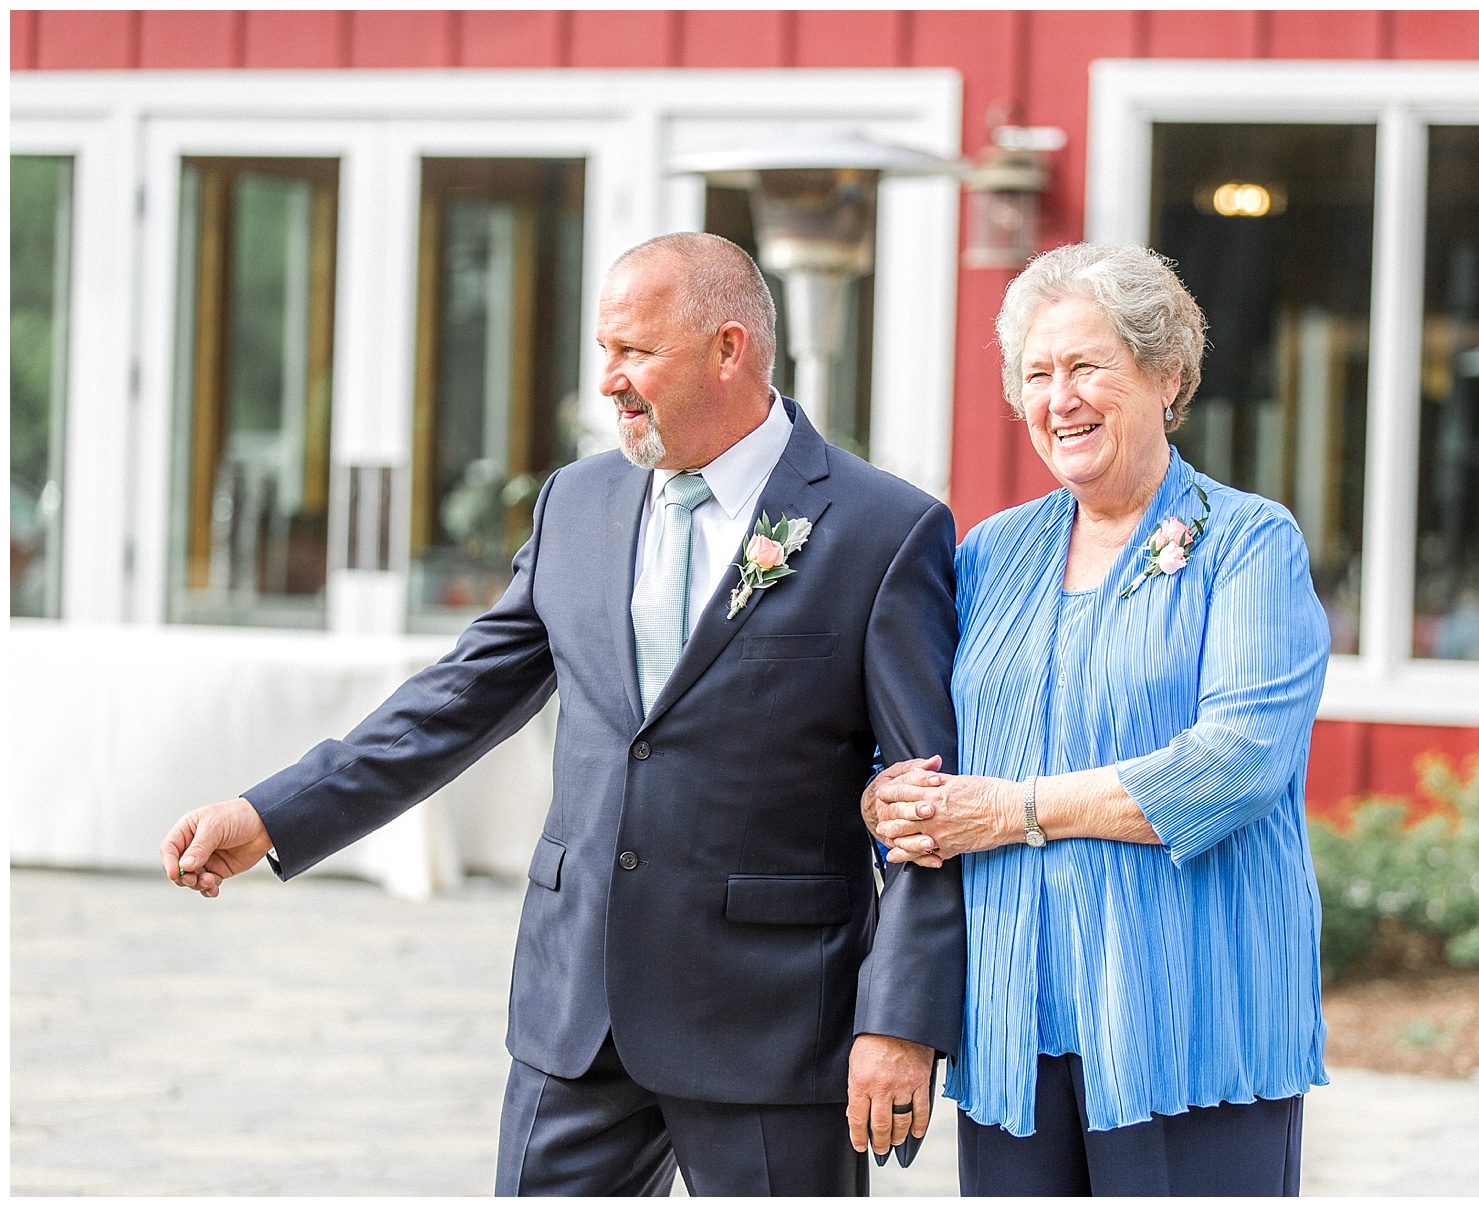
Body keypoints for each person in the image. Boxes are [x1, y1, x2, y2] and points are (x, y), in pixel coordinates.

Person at [159, 231, 965, 1197]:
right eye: (604, 353)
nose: (611, 383)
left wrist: (899, 1017)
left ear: (729, 348)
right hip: (576, 1009)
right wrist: (272, 812)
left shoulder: (883, 527)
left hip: (774, 1020)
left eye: (636, 353)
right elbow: (457, 701)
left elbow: (931, 800)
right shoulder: (577, 502)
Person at [868, 242, 1330, 1196]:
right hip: (1014, 1021)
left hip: (1188, 1020)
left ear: (1165, 376)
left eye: (1087, 367)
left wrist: (1012, 812)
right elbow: (929, 742)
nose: (1058, 397)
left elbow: (1238, 761)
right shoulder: (992, 554)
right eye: (1037, 374)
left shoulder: (1248, 542)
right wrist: (888, 797)